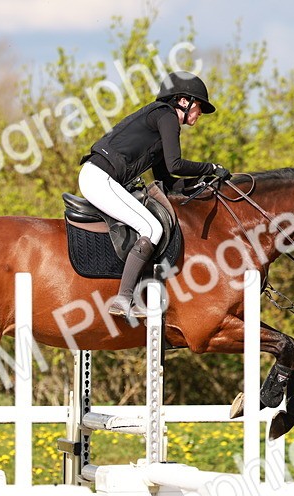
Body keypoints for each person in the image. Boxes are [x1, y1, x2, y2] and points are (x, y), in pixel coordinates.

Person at [78, 71, 231, 317]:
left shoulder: (161, 123)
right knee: (152, 229)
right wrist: (211, 167)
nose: (200, 113)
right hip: (99, 178)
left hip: (100, 178)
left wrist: (204, 182)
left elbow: (168, 181)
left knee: (151, 225)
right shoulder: (166, 116)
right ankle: (123, 298)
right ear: (184, 101)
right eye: (199, 106)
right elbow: (176, 164)